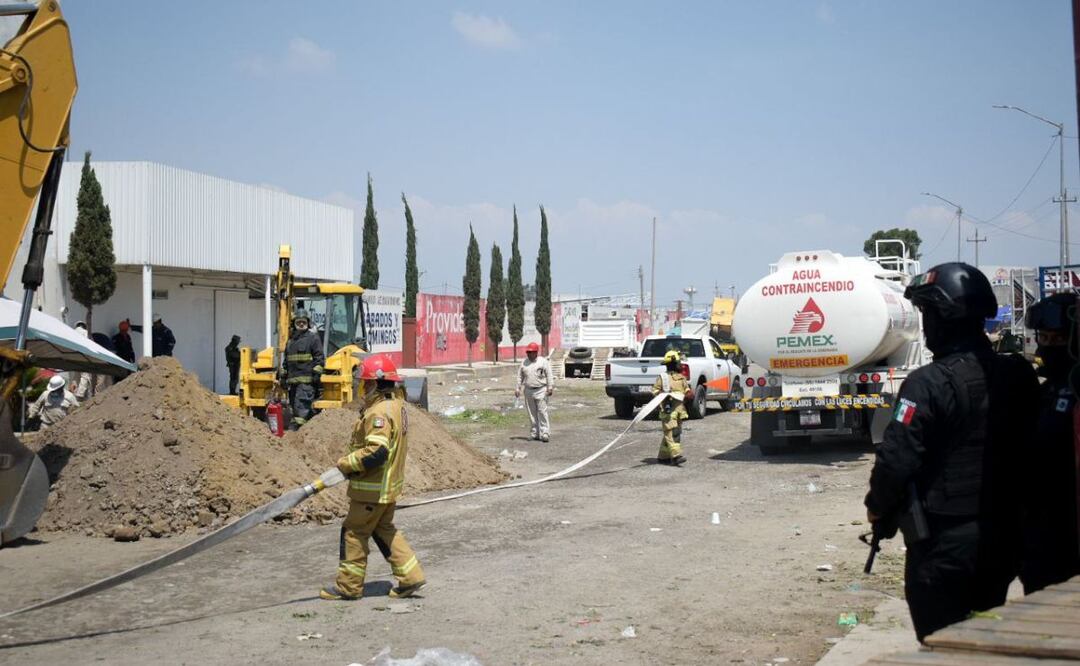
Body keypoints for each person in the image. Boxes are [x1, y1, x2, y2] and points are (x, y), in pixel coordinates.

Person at [865, 262, 1039, 642]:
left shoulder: (925, 385)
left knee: (943, 642)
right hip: (1005, 538)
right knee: (986, 635)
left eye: (927, 313)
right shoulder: (1019, 374)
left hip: (946, 545)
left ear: (943, 318)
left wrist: (877, 507)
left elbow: (896, 459)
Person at [320, 354, 426, 601]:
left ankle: (348, 587)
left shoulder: (378, 413)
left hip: (372, 490)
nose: (363, 388)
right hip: (387, 488)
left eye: (366, 383)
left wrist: (347, 464)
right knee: (385, 530)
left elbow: (377, 452)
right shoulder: (398, 406)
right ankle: (411, 578)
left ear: (377, 384)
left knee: (354, 532)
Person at [1020, 293, 1080, 593]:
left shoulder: (1073, 393)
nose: (1048, 345)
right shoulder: (1047, 391)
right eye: (1043, 337)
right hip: (1043, 530)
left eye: (1057, 338)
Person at [280, 310, 324, 429]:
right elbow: (286, 362)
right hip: (293, 384)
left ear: (308, 323)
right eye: (298, 322)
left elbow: (319, 358)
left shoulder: (313, 338)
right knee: (295, 408)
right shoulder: (290, 341)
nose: (300, 324)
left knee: (300, 411)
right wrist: (283, 376)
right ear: (294, 323)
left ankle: (294, 433)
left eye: (303, 322)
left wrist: (316, 373)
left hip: (306, 384)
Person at [651, 349, 692, 465]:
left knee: (670, 433)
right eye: (679, 363)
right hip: (668, 411)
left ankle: (663, 456)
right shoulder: (663, 378)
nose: (680, 365)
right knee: (673, 433)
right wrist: (664, 395)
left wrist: (689, 393)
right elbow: (654, 391)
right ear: (673, 363)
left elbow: (686, 389)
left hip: (679, 411)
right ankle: (676, 456)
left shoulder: (682, 377)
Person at [515, 342, 554, 441]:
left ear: (536, 352)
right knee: (532, 413)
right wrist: (517, 388)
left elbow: (549, 375)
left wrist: (550, 387)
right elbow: (520, 376)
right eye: (528, 352)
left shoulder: (543, 362)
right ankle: (535, 433)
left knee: (542, 412)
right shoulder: (524, 363)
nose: (529, 354)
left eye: (531, 352)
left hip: (541, 389)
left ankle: (545, 432)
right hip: (528, 390)